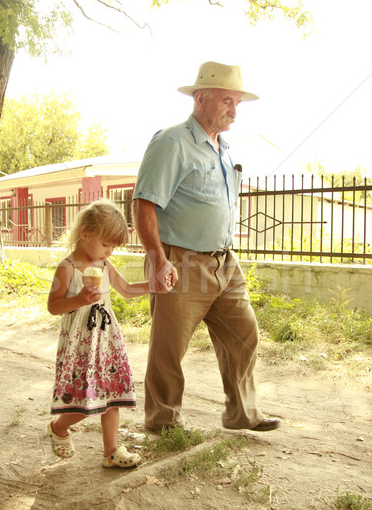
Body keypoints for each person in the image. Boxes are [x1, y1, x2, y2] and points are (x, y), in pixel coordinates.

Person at [133, 61, 280, 434]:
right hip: (180, 261)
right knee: (169, 348)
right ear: (201, 98)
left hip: (224, 262)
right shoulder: (172, 142)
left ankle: (241, 413)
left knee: (244, 333)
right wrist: (158, 261)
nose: (234, 109)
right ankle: (162, 422)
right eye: (227, 100)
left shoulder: (224, 149)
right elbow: (145, 203)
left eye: (238, 102)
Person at [47, 198, 150, 468]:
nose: (110, 251)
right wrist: (79, 300)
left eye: (114, 246)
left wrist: (155, 285)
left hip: (106, 338)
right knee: (83, 400)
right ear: (85, 235)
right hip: (81, 341)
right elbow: (53, 306)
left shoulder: (105, 266)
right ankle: (58, 427)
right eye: (106, 244)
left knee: (112, 396)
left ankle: (111, 452)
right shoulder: (67, 267)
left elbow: (126, 290)